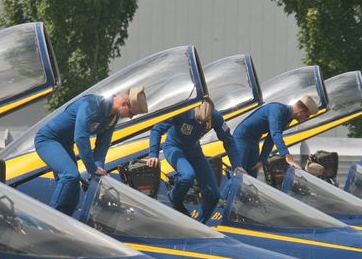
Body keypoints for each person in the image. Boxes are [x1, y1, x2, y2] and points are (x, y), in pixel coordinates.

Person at [35, 86, 148, 215]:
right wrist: (92, 168)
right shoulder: (91, 104)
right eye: (131, 113)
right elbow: (80, 137)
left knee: (73, 187)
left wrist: (98, 171)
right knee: (70, 176)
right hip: (48, 140)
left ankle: (65, 221)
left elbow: (102, 146)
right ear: (123, 104)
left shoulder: (112, 118)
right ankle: (52, 220)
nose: (131, 117)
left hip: (65, 145)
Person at [146, 99, 244, 223]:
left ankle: (199, 224)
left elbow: (229, 141)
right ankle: (174, 198)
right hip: (173, 147)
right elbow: (157, 129)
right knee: (188, 175)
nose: (200, 123)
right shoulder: (182, 111)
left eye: (204, 121)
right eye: (198, 120)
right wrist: (153, 154)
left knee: (213, 194)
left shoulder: (215, 117)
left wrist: (237, 165)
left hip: (194, 151)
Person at [233, 94, 319, 177]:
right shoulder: (278, 110)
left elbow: (270, 139)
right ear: (301, 111)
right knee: (239, 173)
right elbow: (275, 133)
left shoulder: (287, 118)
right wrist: (287, 155)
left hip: (254, 140)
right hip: (242, 138)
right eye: (307, 115)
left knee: (252, 173)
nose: (306, 118)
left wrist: (262, 160)